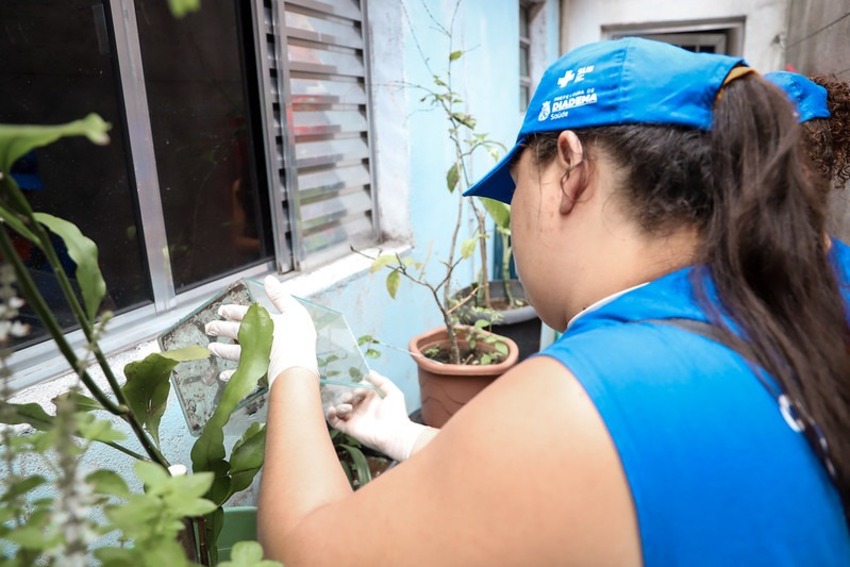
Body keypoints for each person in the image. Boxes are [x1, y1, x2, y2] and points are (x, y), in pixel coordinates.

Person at [207, 38, 850, 565]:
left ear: (570, 171)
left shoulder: (586, 392)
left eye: (514, 185)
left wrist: (291, 358)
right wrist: (406, 436)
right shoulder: (802, 302)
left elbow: (308, 543)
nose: (512, 216)